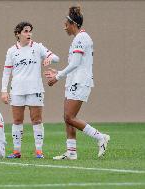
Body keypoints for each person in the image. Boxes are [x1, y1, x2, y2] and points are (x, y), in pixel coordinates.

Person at [45, 6, 110, 160]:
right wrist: (59, 72)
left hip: (80, 81)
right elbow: (75, 64)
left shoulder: (82, 38)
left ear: (73, 23)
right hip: (73, 80)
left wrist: (58, 76)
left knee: (69, 117)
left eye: (66, 24)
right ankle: (71, 152)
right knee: (67, 117)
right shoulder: (78, 38)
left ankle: (100, 137)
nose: (64, 27)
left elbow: (75, 63)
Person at [1, 21, 59, 158]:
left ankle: (39, 151)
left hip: (35, 89)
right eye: (26, 31)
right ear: (18, 34)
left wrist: (49, 59)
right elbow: (6, 72)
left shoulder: (38, 47)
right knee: (17, 120)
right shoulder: (11, 51)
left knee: (37, 120)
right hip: (17, 90)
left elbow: (56, 57)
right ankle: (16, 151)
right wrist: (4, 90)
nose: (29, 34)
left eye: (30, 31)